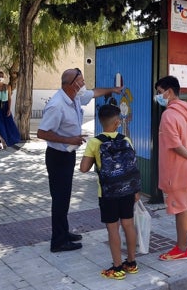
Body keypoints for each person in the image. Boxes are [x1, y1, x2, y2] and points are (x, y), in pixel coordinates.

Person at [37, 68, 123, 253]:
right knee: (60, 199)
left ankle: (64, 232)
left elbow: (94, 93)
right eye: (81, 81)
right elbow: (41, 133)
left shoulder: (75, 96)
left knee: (64, 198)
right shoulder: (57, 105)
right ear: (71, 84)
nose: (84, 84)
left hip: (68, 154)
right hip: (58, 156)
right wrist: (69, 139)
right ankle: (58, 241)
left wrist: (113, 90)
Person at [79, 104, 140, 280]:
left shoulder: (95, 142)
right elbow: (133, 167)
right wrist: (136, 190)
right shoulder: (126, 140)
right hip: (128, 191)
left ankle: (117, 267)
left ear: (101, 122)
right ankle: (131, 263)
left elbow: (84, 168)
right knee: (128, 225)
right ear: (116, 122)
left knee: (113, 228)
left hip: (108, 193)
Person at [154, 76, 187, 260]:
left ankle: (182, 248)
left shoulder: (168, 115)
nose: (158, 96)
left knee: (179, 210)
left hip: (174, 172)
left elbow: (175, 145)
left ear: (169, 92)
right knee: (184, 206)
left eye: (160, 92)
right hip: (186, 170)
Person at [0, 71, 20, 149]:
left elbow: (9, 98)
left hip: (4, 106)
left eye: (2, 76)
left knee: (8, 123)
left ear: (4, 78)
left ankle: (2, 141)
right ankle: (1, 141)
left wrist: (9, 109)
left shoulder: (8, 87)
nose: (0, 78)